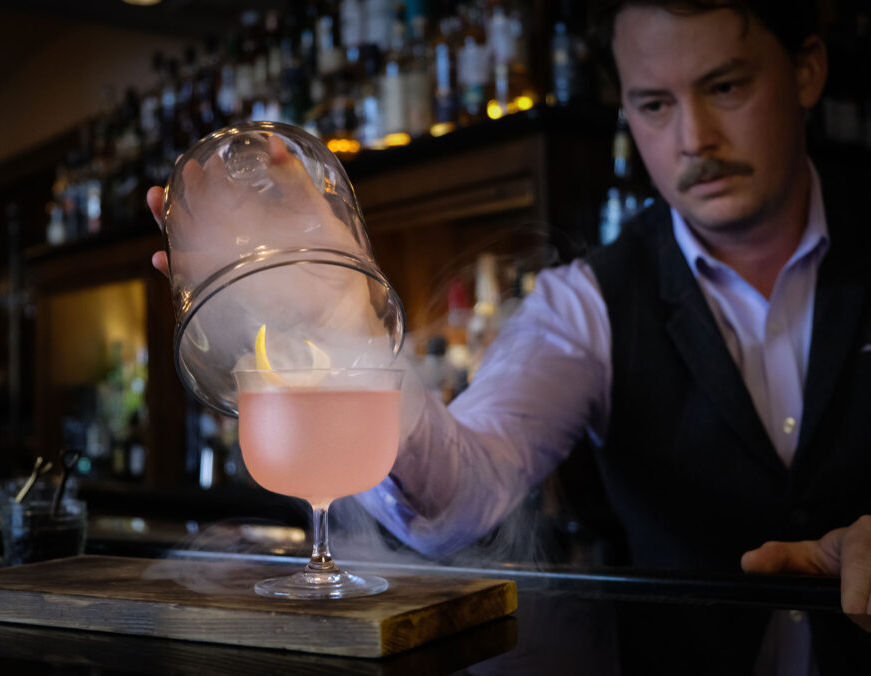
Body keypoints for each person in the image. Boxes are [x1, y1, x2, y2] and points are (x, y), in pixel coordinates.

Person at [148, 1, 871, 672]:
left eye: (726, 88)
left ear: (807, 72)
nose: (694, 139)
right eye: (655, 105)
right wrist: (347, 330)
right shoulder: (586, 304)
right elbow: (459, 501)